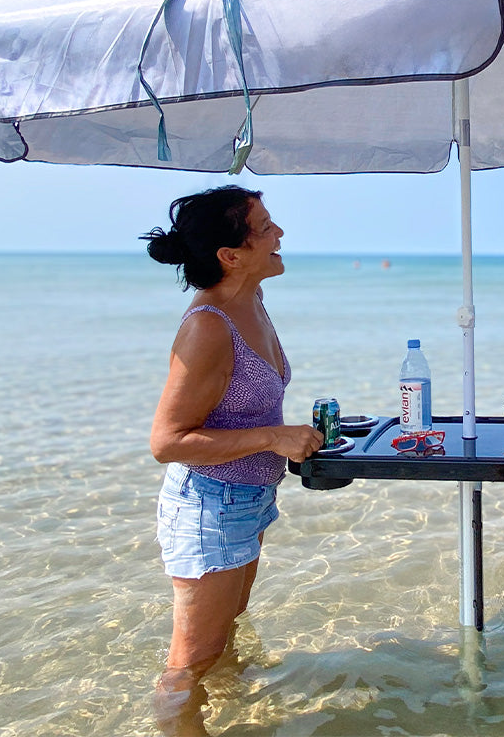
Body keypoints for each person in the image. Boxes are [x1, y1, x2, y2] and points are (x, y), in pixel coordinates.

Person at [142, 185, 323, 722]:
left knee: (227, 634)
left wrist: (285, 436)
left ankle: (239, 719)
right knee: (186, 667)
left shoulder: (252, 299)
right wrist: (273, 437)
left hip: (248, 497)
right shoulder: (207, 328)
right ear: (231, 254)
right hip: (209, 505)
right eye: (266, 227)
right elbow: (167, 442)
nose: (280, 234)